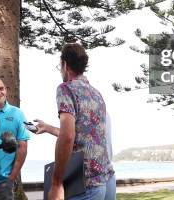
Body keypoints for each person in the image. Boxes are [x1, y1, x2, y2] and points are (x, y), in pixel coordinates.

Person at [48, 43, 114, 200]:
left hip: (83, 185)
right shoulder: (97, 94)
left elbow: (68, 136)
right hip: (103, 182)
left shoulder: (66, 89)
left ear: (64, 65)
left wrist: (57, 183)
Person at [35, 110, 116, 200]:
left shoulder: (84, 109)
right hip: (108, 173)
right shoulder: (101, 107)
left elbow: (70, 137)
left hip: (89, 181)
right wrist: (47, 128)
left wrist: (56, 183)